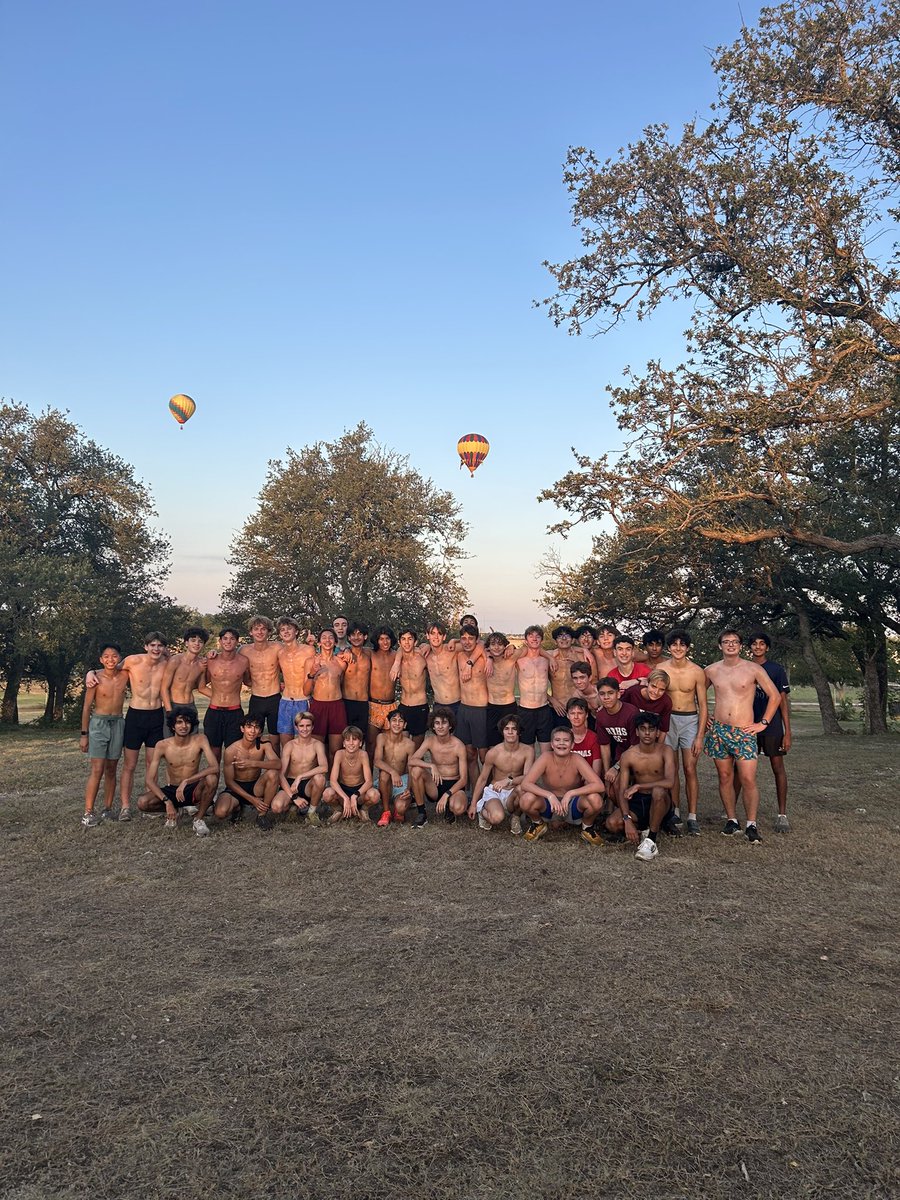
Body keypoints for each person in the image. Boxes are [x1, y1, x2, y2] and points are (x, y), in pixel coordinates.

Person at [704, 629, 781, 844]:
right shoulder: (711, 670)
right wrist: (706, 717)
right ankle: (731, 820)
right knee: (725, 777)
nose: (730, 645)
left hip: (745, 731)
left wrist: (762, 723)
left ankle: (751, 824)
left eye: (735, 641)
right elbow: (694, 693)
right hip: (719, 731)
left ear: (740, 645)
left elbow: (774, 695)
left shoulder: (752, 669)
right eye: (726, 641)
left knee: (748, 778)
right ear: (720, 646)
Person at [100, 631, 170, 821]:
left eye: (159, 646)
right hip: (135, 717)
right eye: (152, 645)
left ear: (164, 648)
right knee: (130, 765)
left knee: (151, 763)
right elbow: (110, 668)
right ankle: (125, 807)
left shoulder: (167, 663)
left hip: (156, 716)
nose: (156, 649)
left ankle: (150, 804)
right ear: (146, 646)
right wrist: (91, 673)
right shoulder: (132, 661)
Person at [137, 706, 219, 836]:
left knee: (212, 778)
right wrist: (167, 801)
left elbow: (215, 767)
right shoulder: (162, 745)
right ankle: (175, 810)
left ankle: (198, 819)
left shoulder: (200, 739)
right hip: (173, 790)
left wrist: (187, 781)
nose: (184, 726)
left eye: (187, 722)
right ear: (173, 726)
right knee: (143, 802)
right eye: (179, 722)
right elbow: (149, 779)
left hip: (193, 789)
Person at [608, 712, 676, 861]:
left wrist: (638, 785)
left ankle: (651, 840)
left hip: (660, 800)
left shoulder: (666, 751)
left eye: (651, 729)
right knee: (612, 823)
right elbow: (622, 790)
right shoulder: (628, 755)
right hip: (638, 802)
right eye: (643, 728)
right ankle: (643, 829)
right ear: (637, 731)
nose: (647, 733)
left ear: (657, 732)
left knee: (658, 791)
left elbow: (670, 782)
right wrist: (627, 820)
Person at [519, 726, 605, 845]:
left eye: (566, 740)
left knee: (595, 799)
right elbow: (525, 784)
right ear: (552, 744)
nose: (561, 743)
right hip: (549, 805)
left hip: (572, 804)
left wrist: (571, 793)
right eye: (557, 740)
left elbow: (599, 786)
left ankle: (587, 828)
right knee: (526, 799)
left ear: (572, 745)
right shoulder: (545, 758)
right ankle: (537, 824)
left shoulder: (577, 759)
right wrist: (549, 796)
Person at [660, 629, 708, 836]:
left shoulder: (697, 671)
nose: (678, 648)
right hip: (668, 719)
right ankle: (675, 811)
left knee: (690, 768)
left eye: (682, 645)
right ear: (668, 647)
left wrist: (700, 735)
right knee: (671, 769)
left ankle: (693, 816)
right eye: (674, 644)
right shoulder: (661, 669)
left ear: (687, 648)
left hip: (690, 719)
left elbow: (704, 705)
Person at [745, 633, 792, 832]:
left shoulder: (775, 669)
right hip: (748, 724)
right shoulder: (744, 667)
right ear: (749, 647)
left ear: (767, 648)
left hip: (771, 725)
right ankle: (730, 815)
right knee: (743, 768)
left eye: (762, 643)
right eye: (754, 644)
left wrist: (787, 731)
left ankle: (782, 815)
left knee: (777, 766)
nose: (758, 647)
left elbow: (782, 701)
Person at [79, 643, 130, 826]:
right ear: (101, 659)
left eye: (114, 656)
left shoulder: (125, 675)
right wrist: (84, 734)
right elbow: (86, 708)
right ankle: (88, 812)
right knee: (97, 769)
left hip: (118, 722)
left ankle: (107, 809)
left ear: (120, 658)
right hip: (98, 723)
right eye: (106, 656)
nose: (110, 659)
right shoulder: (95, 679)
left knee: (111, 769)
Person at [468, 712, 533, 833]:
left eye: (514, 729)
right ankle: (482, 812)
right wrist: (473, 804)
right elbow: (482, 779)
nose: (510, 732)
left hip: (513, 792)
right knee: (497, 818)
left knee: (523, 789)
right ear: (502, 732)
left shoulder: (528, 751)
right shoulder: (494, 752)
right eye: (506, 729)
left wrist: (509, 781)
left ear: (519, 731)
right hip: (495, 792)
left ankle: (516, 817)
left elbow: (528, 778)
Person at [214, 714, 280, 829]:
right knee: (220, 812)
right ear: (242, 729)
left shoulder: (264, 743)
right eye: (249, 726)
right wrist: (252, 800)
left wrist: (253, 763)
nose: (252, 731)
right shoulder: (231, 750)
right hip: (236, 787)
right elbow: (229, 782)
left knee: (273, 774)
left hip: (255, 785)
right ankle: (238, 807)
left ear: (260, 731)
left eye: (256, 727)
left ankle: (262, 815)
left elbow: (278, 764)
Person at [409, 706, 468, 827]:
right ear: (433, 726)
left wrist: (447, 794)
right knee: (416, 770)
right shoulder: (430, 741)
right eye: (437, 723)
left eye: (444, 723)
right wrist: (431, 765)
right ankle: (422, 814)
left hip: (454, 785)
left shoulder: (459, 745)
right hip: (435, 784)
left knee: (458, 808)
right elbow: (412, 761)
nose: (440, 726)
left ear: (450, 725)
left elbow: (464, 779)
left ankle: (450, 808)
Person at [198, 628, 250, 764]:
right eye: (225, 638)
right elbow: (202, 687)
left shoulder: (244, 661)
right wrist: (217, 696)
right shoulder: (211, 660)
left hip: (235, 713)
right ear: (220, 641)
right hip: (214, 712)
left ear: (237, 642)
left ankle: (230, 786)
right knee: (214, 754)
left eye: (232, 638)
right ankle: (213, 784)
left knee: (233, 754)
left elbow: (249, 681)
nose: (228, 641)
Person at [271, 710, 328, 822]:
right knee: (276, 807)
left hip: (308, 784)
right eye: (301, 726)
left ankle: (311, 812)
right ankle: (294, 805)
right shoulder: (290, 745)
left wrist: (300, 776)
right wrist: (294, 797)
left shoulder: (317, 745)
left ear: (312, 727)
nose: (305, 729)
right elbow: (281, 774)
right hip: (291, 784)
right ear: (296, 727)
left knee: (320, 778)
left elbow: (324, 767)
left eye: (308, 726)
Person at [594, 677, 641, 813]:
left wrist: (616, 767)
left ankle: (632, 816)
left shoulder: (631, 712)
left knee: (619, 784)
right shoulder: (601, 715)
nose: (606, 697)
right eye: (602, 694)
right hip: (622, 754)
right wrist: (607, 770)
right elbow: (604, 745)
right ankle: (623, 814)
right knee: (611, 785)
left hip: (639, 754)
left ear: (618, 694)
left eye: (610, 693)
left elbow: (635, 745)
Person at [322, 725, 380, 822]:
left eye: (355, 739)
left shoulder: (363, 754)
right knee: (327, 794)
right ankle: (338, 810)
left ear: (360, 743)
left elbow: (369, 781)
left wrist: (355, 795)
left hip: (359, 792)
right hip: (343, 790)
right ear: (344, 743)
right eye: (348, 740)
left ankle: (364, 809)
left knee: (374, 795)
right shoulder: (339, 754)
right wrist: (345, 797)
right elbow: (333, 781)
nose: (351, 743)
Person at [308, 628, 351, 762]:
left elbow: (342, 683)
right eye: (324, 638)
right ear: (319, 643)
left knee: (336, 751)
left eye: (331, 637)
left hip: (336, 706)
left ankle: (333, 781)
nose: (327, 640)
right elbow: (305, 691)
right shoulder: (311, 661)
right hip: (318, 706)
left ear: (335, 642)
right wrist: (311, 674)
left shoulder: (341, 663)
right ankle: (317, 781)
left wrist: (348, 651)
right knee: (317, 750)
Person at [275, 616, 317, 750]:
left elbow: (318, 668)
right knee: (286, 744)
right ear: (280, 634)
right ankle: (287, 771)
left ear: (296, 631)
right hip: (285, 701)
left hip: (304, 700)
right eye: (282, 630)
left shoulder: (308, 650)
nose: (286, 632)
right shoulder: (279, 653)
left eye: (289, 629)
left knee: (305, 745)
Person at [455, 624, 490, 782]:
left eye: (471, 638)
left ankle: (491, 790)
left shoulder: (484, 655)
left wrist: (487, 658)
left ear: (477, 640)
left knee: (484, 756)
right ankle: (476, 791)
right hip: (464, 709)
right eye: (463, 638)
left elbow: (484, 646)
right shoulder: (458, 655)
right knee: (469, 754)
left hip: (480, 709)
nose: (467, 642)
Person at [239, 616, 283, 742]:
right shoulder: (244, 650)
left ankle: (276, 761)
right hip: (256, 699)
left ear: (269, 631)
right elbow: (232, 662)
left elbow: (291, 661)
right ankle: (256, 761)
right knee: (254, 737)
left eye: (263, 629)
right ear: (250, 632)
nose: (260, 632)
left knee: (275, 738)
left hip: (274, 698)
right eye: (256, 629)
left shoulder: (277, 647)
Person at [160, 626, 209, 731]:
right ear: (186, 643)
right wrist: (169, 711)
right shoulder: (175, 661)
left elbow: (202, 688)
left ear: (204, 645)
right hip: (173, 705)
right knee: (170, 742)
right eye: (193, 640)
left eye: (200, 641)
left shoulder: (201, 664)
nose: (196, 644)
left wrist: (222, 697)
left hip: (190, 706)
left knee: (192, 744)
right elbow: (164, 688)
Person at [373, 707, 415, 825]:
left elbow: (411, 768)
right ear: (389, 723)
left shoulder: (409, 744)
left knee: (401, 808)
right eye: (394, 720)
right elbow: (377, 761)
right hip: (384, 780)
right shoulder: (381, 738)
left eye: (400, 721)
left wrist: (409, 788)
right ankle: (386, 812)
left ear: (405, 725)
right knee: (385, 774)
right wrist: (393, 771)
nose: (397, 724)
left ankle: (398, 810)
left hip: (401, 781)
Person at [516, 625, 555, 754]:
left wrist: (551, 658)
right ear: (525, 640)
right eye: (531, 636)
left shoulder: (547, 659)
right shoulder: (519, 660)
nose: (534, 639)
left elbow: (573, 649)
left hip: (543, 709)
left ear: (542, 640)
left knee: (546, 751)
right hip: (525, 710)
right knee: (528, 752)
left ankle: (546, 775)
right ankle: (529, 775)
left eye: (538, 636)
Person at [394, 628, 429, 749]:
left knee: (416, 749)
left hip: (420, 707)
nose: (407, 642)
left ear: (415, 642)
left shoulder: (422, 657)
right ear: (399, 642)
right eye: (403, 639)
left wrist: (427, 645)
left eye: (410, 639)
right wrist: (396, 662)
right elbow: (399, 651)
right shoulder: (397, 658)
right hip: (403, 706)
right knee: (402, 749)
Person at [367, 627, 399, 754]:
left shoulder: (397, 655)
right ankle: (368, 774)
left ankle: (385, 774)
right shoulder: (370, 654)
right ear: (376, 640)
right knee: (371, 745)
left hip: (391, 706)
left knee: (388, 747)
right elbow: (354, 649)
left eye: (387, 638)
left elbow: (415, 648)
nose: (385, 642)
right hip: (373, 705)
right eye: (381, 639)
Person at [485, 632, 519, 745]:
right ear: (488, 646)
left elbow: (527, 649)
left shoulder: (511, 658)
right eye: (493, 644)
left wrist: (512, 646)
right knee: (493, 745)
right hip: (492, 706)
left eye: (500, 644)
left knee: (512, 743)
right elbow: (477, 644)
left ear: (504, 646)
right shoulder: (483, 658)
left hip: (509, 707)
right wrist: (489, 658)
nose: (496, 647)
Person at [547, 625, 583, 720]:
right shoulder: (549, 657)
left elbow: (590, 681)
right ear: (555, 641)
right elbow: (538, 684)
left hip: (577, 707)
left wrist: (577, 661)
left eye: (567, 635)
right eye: (559, 636)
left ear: (572, 640)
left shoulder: (581, 656)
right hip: (557, 707)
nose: (563, 638)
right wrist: (552, 700)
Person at [342, 621, 372, 735]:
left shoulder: (369, 654)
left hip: (363, 703)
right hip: (346, 703)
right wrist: (346, 650)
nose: (356, 637)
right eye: (353, 635)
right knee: (344, 738)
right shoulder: (343, 656)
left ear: (365, 636)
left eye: (359, 634)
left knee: (360, 738)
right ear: (349, 637)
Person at [627, 670, 673, 740]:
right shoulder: (633, 692)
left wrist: (658, 749)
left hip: (651, 742)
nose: (656, 692)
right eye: (653, 686)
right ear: (647, 683)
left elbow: (663, 730)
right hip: (629, 737)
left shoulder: (666, 702)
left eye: (661, 690)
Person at [566, 697, 601, 769]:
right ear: (567, 715)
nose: (576, 717)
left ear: (586, 715)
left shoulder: (594, 738)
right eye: (572, 713)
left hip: (590, 778)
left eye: (580, 713)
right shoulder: (563, 738)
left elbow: (596, 771)